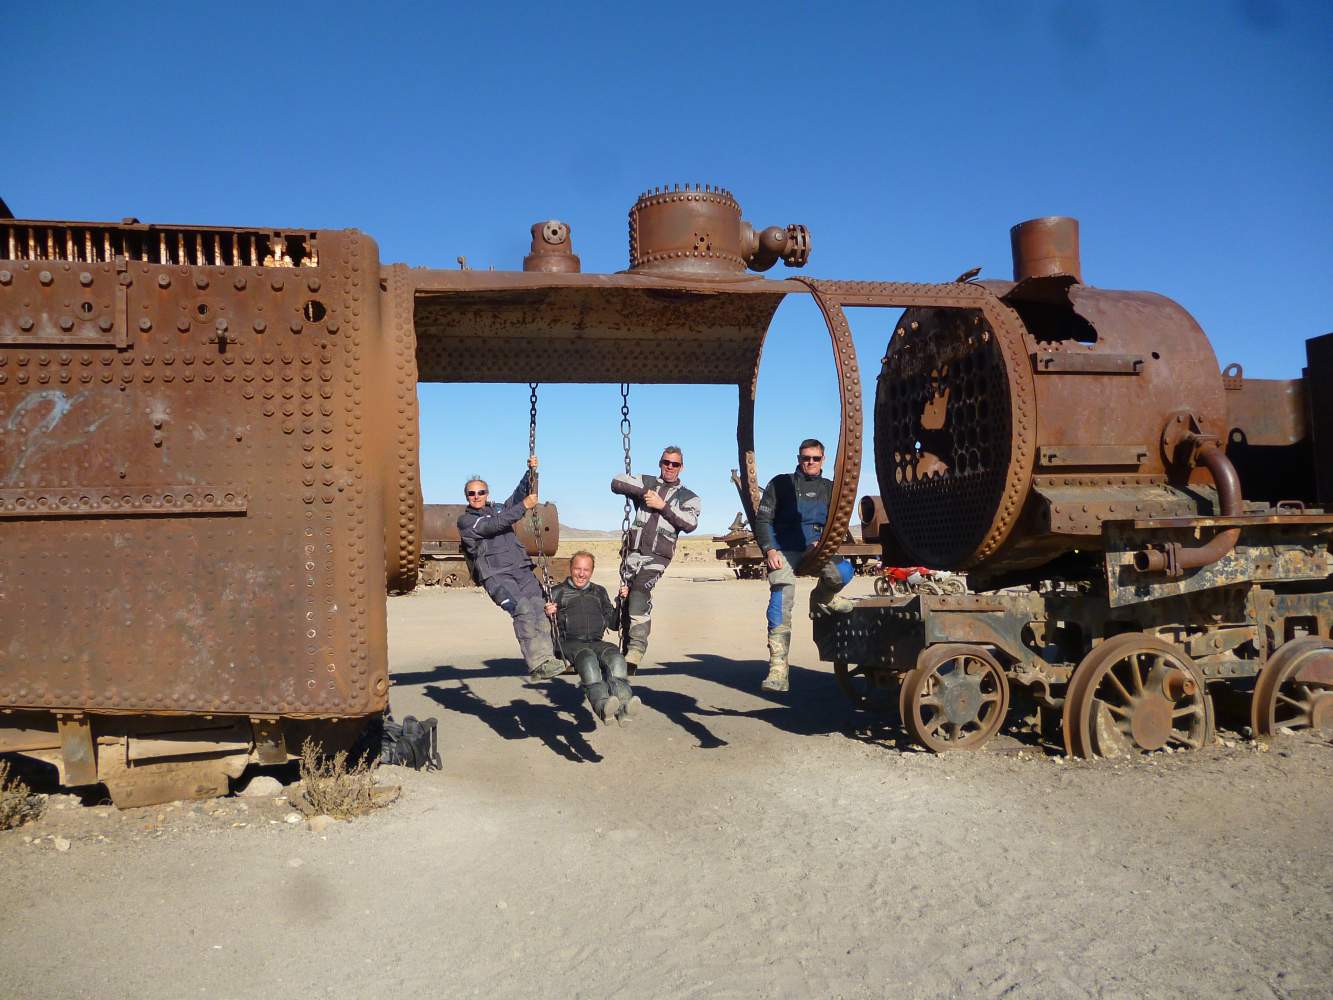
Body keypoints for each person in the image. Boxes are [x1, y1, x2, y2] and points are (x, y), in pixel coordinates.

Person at [753, 438, 855, 693]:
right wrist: (770, 549)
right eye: (805, 458)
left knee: (844, 573)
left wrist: (826, 541)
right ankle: (778, 668)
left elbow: (841, 523)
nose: (810, 462)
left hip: (817, 549)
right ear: (798, 459)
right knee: (781, 591)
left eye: (815, 458)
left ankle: (822, 597)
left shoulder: (831, 489)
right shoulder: (780, 484)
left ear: (823, 460)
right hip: (785, 549)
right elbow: (763, 520)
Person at [457, 456, 565, 681]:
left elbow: (517, 498)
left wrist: (531, 473)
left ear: (487, 493)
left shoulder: (498, 509)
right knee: (523, 609)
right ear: (467, 497)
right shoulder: (467, 521)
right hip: (497, 575)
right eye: (472, 493)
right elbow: (494, 525)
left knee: (540, 606)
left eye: (481, 492)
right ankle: (537, 664)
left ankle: (548, 658)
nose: (477, 497)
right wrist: (523, 507)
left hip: (521, 569)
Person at [610, 445, 702, 671]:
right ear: (660, 463)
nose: (670, 467)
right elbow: (617, 483)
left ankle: (637, 649)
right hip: (632, 554)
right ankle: (624, 656)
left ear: (682, 467)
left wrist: (663, 506)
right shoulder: (648, 482)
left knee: (640, 592)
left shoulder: (689, 497)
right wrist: (643, 492)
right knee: (626, 600)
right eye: (666, 462)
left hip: (657, 556)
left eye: (675, 464)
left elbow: (690, 523)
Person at [544, 551, 642, 725]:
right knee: (588, 659)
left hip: (596, 642)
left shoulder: (599, 592)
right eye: (577, 569)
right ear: (570, 568)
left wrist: (622, 602)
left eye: (586, 570)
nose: (581, 574)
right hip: (568, 643)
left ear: (592, 571)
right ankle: (603, 706)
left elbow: (613, 623)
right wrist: (546, 614)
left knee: (616, 658)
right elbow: (540, 627)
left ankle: (625, 707)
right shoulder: (556, 592)